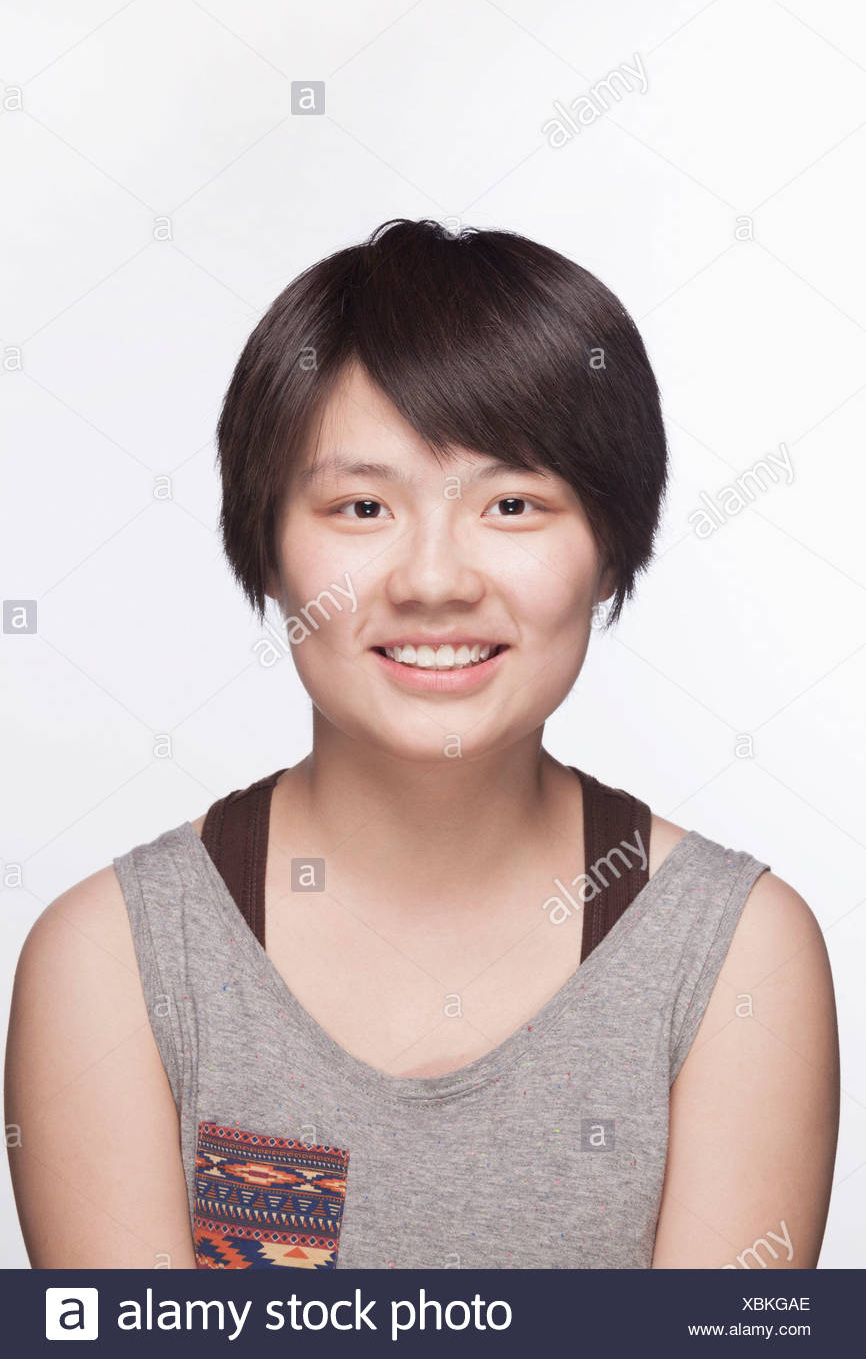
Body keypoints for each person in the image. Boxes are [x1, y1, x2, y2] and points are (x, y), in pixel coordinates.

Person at [6, 219, 839, 1270]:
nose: (433, 579)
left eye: (511, 503)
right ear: (267, 548)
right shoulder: (113, 957)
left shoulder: (732, 953)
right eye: (362, 505)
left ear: (612, 551)